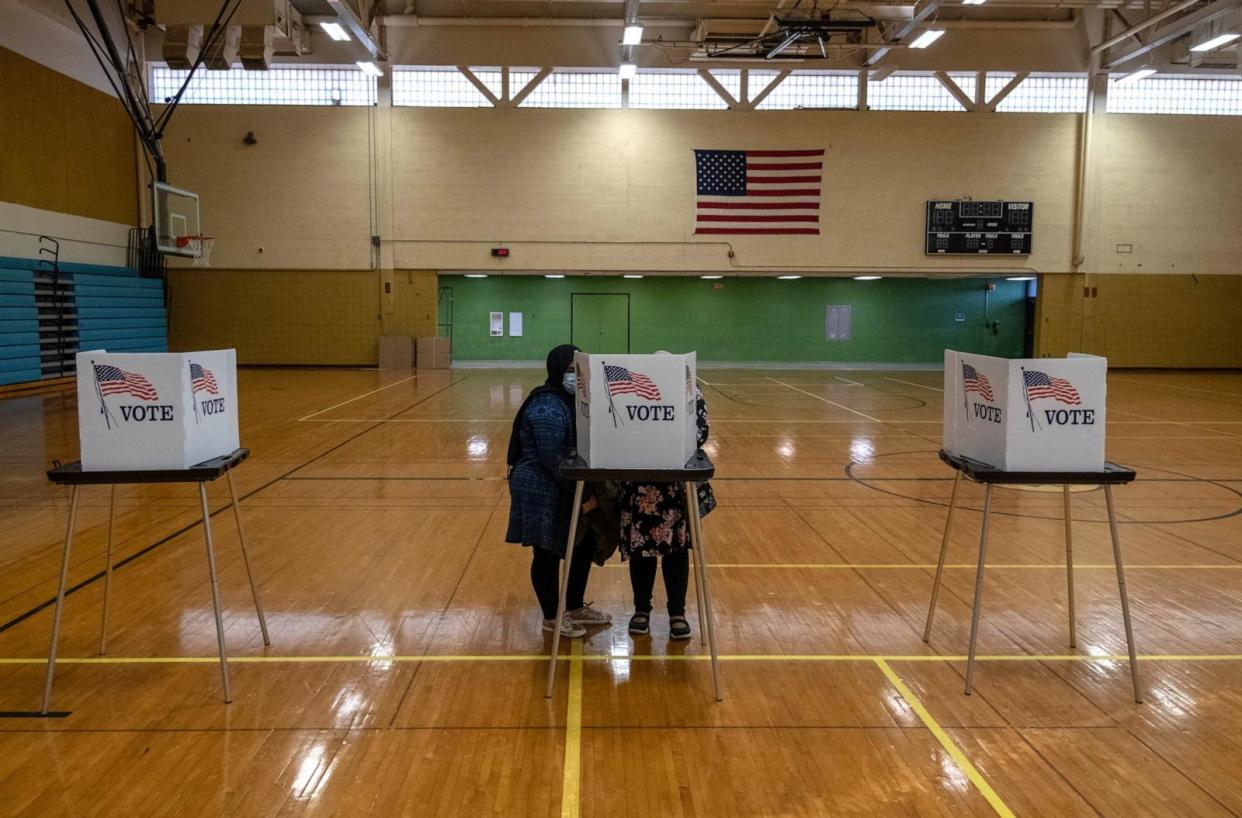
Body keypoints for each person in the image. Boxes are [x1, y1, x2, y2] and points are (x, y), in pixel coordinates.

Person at [506, 344, 612, 638]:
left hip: (568, 483)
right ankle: (552, 617)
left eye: (577, 371)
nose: (574, 377)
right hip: (540, 486)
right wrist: (584, 498)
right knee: (548, 552)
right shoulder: (547, 405)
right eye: (568, 371)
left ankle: (575, 607)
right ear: (556, 371)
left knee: (583, 543)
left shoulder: (573, 400)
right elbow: (553, 458)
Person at [619, 379, 713, 640]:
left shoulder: (690, 391)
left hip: (675, 486)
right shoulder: (634, 391)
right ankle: (641, 611)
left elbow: (701, 431)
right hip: (641, 485)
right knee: (641, 551)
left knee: (677, 550)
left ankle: (677, 613)